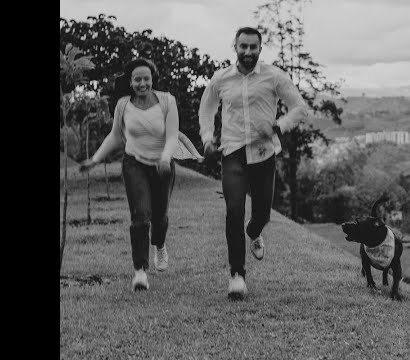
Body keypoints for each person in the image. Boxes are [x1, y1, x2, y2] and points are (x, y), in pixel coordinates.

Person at [198, 27, 309, 299]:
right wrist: (207, 137)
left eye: (253, 47)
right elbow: (207, 109)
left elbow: (299, 107)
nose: (248, 52)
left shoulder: (273, 76)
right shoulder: (221, 79)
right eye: (243, 46)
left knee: (261, 214)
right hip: (232, 151)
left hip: (263, 153)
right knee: (234, 211)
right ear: (234, 46)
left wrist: (278, 126)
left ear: (260, 48)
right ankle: (237, 275)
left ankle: (255, 232)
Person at [80, 58, 203, 291]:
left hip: (162, 165)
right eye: (137, 79)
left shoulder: (167, 101)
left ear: (152, 79)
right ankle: (140, 271)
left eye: (146, 78)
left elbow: (171, 135)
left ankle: (160, 244)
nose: (142, 83)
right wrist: (95, 159)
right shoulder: (123, 105)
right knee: (140, 216)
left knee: (160, 218)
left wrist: (166, 158)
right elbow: (115, 137)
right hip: (134, 163)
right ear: (130, 81)